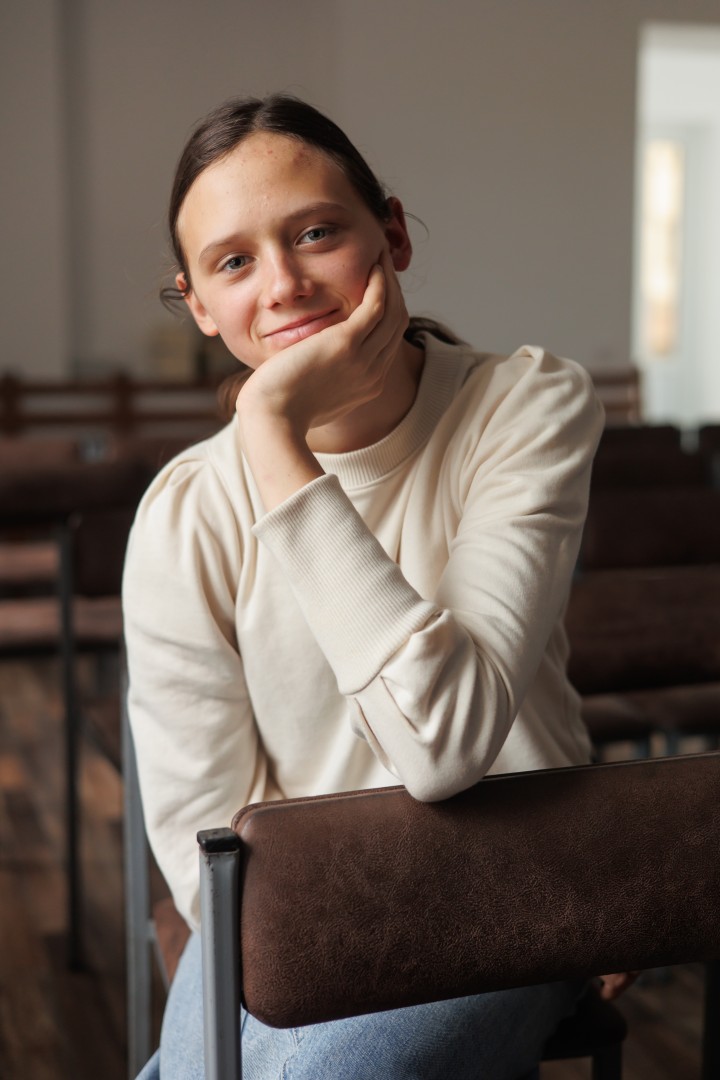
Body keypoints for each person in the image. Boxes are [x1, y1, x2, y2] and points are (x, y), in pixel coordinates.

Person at [123, 92, 615, 1079]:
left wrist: (272, 437)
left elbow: (445, 746)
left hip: (514, 887)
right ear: (199, 305)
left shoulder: (525, 406)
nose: (284, 284)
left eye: (315, 233)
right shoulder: (184, 514)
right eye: (234, 263)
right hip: (291, 911)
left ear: (389, 234)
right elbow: (200, 840)